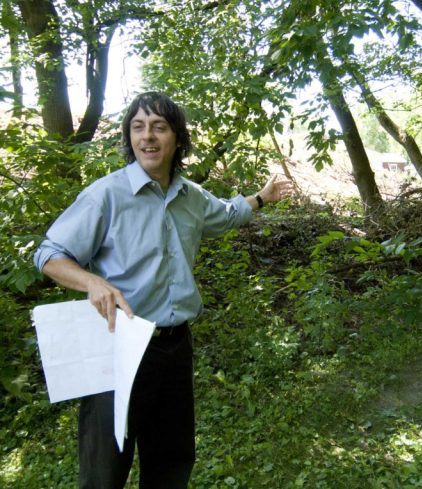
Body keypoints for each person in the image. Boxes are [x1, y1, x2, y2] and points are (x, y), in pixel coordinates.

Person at [33, 91, 292, 489]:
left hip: (174, 348)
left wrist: (260, 198)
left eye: (158, 127)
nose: (147, 137)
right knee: (105, 471)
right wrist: (92, 281)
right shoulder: (106, 195)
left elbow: (223, 215)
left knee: (171, 463)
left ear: (177, 139)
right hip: (117, 346)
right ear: (129, 138)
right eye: (138, 127)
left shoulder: (190, 197)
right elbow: (50, 253)